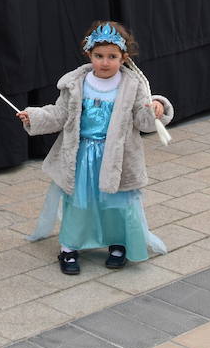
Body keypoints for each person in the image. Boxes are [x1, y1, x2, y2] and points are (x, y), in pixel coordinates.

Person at [17, 21, 172, 274]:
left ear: (124, 57)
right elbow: (61, 113)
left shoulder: (132, 86)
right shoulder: (76, 84)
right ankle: (69, 248)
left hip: (116, 158)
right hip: (80, 157)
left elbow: (142, 122)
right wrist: (34, 117)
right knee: (78, 203)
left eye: (112, 56)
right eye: (99, 56)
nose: (105, 62)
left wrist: (156, 109)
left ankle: (117, 244)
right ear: (89, 54)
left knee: (115, 203)